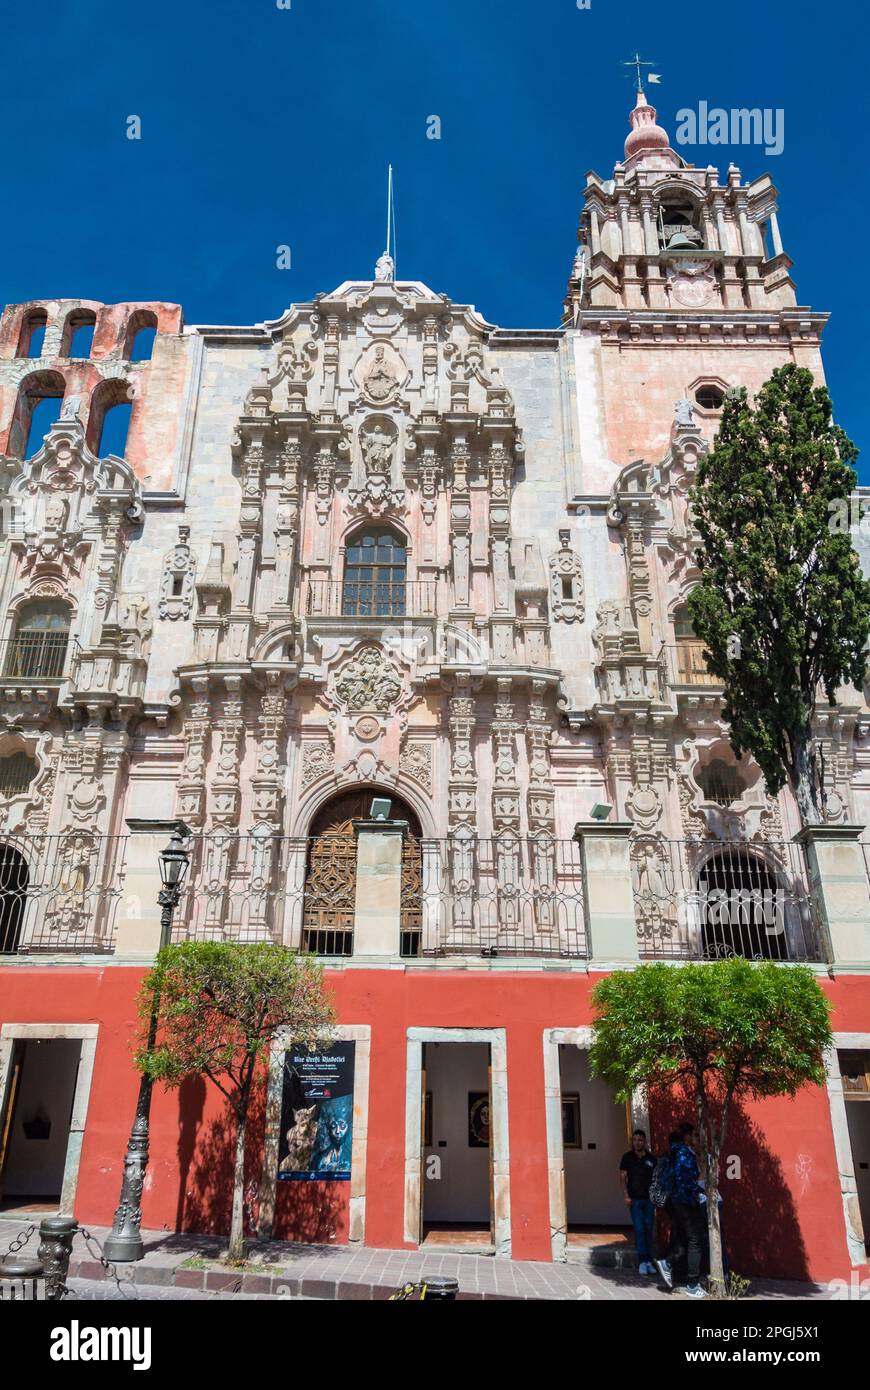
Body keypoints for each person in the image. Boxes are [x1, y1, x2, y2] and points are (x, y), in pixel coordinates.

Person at [655, 1122, 707, 1298]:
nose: (696, 1139)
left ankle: (668, 1263)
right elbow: (684, 1179)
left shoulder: (677, 1151)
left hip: (677, 1201)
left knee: (683, 1237)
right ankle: (693, 1285)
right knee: (695, 1240)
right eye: (694, 1136)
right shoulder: (684, 1153)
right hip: (684, 1201)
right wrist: (699, 1191)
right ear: (687, 1136)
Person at [619, 1128, 657, 1275]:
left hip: (649, 1200)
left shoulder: (651, 1159)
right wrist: (625, 1195)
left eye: (640, 1140)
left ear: (644, 1141)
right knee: (639, 1229)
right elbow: (622, 1178)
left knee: (649, 1230)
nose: (637, 1142)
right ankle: (642, 1261)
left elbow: (655, 1179)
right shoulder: (627, 1157)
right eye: (635, 1140)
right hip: (634, 1199)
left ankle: (649, 1261)